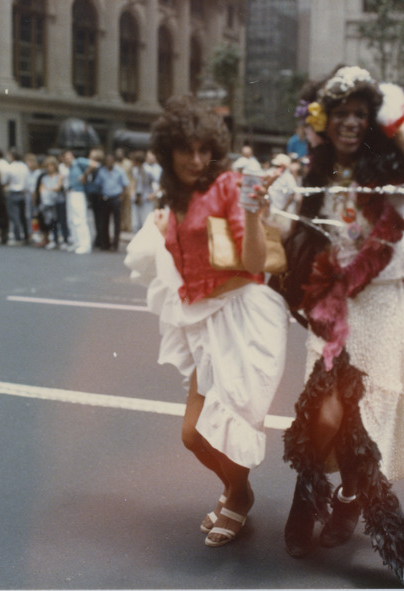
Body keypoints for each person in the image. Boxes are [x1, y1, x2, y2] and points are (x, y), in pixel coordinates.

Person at [280, 66, 404, 588]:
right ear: (323, 119)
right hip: (329, 304)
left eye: (360, 114)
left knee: (367, 414)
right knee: (322, 413)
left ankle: (349, 502)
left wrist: (400, 132)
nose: (350, 123)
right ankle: (307, 497)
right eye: (340, 114)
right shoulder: (315, 170)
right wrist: (273, 203)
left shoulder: (391, 164)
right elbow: (292, 235)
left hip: (378, 303)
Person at [128, 95, 289, 549]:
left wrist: (254, 213)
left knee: (228, 424)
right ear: (168, 151)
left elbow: (257, 260)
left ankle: (237, 496)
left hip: (242, 319)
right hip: (203, 319)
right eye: (186, 150)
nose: (196, 160)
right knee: (193, 435)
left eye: (204, 150)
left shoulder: (227, 187)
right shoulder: (174, 195)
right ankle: (239, 490)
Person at [95, 153, 130, 251]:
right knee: (104, 222)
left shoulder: (120, 171)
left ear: (114, 162)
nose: (109, 163)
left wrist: (121, 197)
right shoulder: (102, 171)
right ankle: (105, 243)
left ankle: (115, 243)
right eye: (107, 161)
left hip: (116, 198)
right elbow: (98, 184)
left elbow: (125, 185)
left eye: (111, 161)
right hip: (105, 198)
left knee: (117, 222)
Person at [62, 149, 94, 254]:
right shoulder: (70, 168)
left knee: (80, 219)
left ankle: (85, 244)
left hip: (78, 193)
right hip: (71, 193)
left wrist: (85, 175)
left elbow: (94, 164)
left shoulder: (79, 162)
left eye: (69, 157)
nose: (67, 159)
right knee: (72, 220)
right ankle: (77, 242)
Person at [2, 148, 31, 245]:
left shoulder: (10, 167)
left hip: (13, 192)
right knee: (23, 216)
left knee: (15, 216)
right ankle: (26, 236)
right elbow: (27, 181)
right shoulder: (24, 166)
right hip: (23, 193)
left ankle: (18, 237)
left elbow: (4, 181)